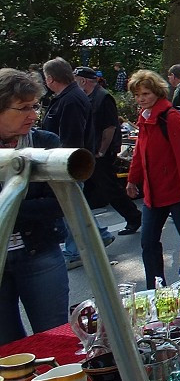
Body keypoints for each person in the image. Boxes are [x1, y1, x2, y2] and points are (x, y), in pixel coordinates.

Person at [0, 69, 69, 344]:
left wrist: (9, 209)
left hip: (40, 254)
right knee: (8, 352)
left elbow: (60, 203)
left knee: (56, 339)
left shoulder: (45, 143)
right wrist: (29, 206)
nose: (33, 115)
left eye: (34, 106)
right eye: (23, 108)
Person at [124, 70, 180, 288]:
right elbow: (140, 152)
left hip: (177, 193)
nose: (141, 99)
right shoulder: (145, 117)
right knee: (148, 243)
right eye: (138, 95)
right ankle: (155, 288)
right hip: (153, 194)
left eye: (146, 94)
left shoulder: (171, 117)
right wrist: (132, 180)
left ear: (157, 93)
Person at [41, 57, 114, 268]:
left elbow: (71, 137)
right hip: (69, 161)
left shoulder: (71, 99)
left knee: (69, 207)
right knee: (75, 204)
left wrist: (64, 165)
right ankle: (99, 234)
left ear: (51, 78)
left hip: (67, 163)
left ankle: (75, 251)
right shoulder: (68, 97)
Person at [75, 67, 141, 235]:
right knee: (85, 191)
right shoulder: (88, 97)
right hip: (91, 150)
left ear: (83, 80)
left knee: (110, 188)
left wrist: (102, 150)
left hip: (101, 152)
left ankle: (133, 217)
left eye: (76, 79)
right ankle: (92, 231)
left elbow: (110, 127)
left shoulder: (103, 97)